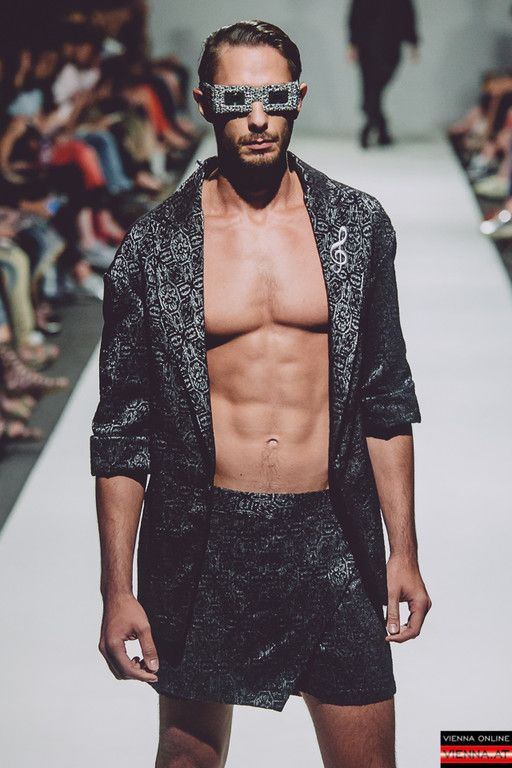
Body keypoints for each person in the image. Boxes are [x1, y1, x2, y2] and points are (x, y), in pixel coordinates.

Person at [90, 19, 432, 768]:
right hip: (203, 541)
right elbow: (122, 430)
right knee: (187, 759)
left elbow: (385, 398)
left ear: (297, 99)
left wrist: (403, 551)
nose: (256, 118)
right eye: (236, 99)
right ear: (203, 102)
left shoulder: (356, 226)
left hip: (333, 537)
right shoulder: (154, 246)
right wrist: (117, 589)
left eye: (274, 98)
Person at [347, 0, 420, 148]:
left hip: (379, 46)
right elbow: (355, 16)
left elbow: (407, 15)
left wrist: (413, 43)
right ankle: (381, 131)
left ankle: (372, 125)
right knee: (372, 89)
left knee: (372, 89)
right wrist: (413, 43)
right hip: (377, 46)